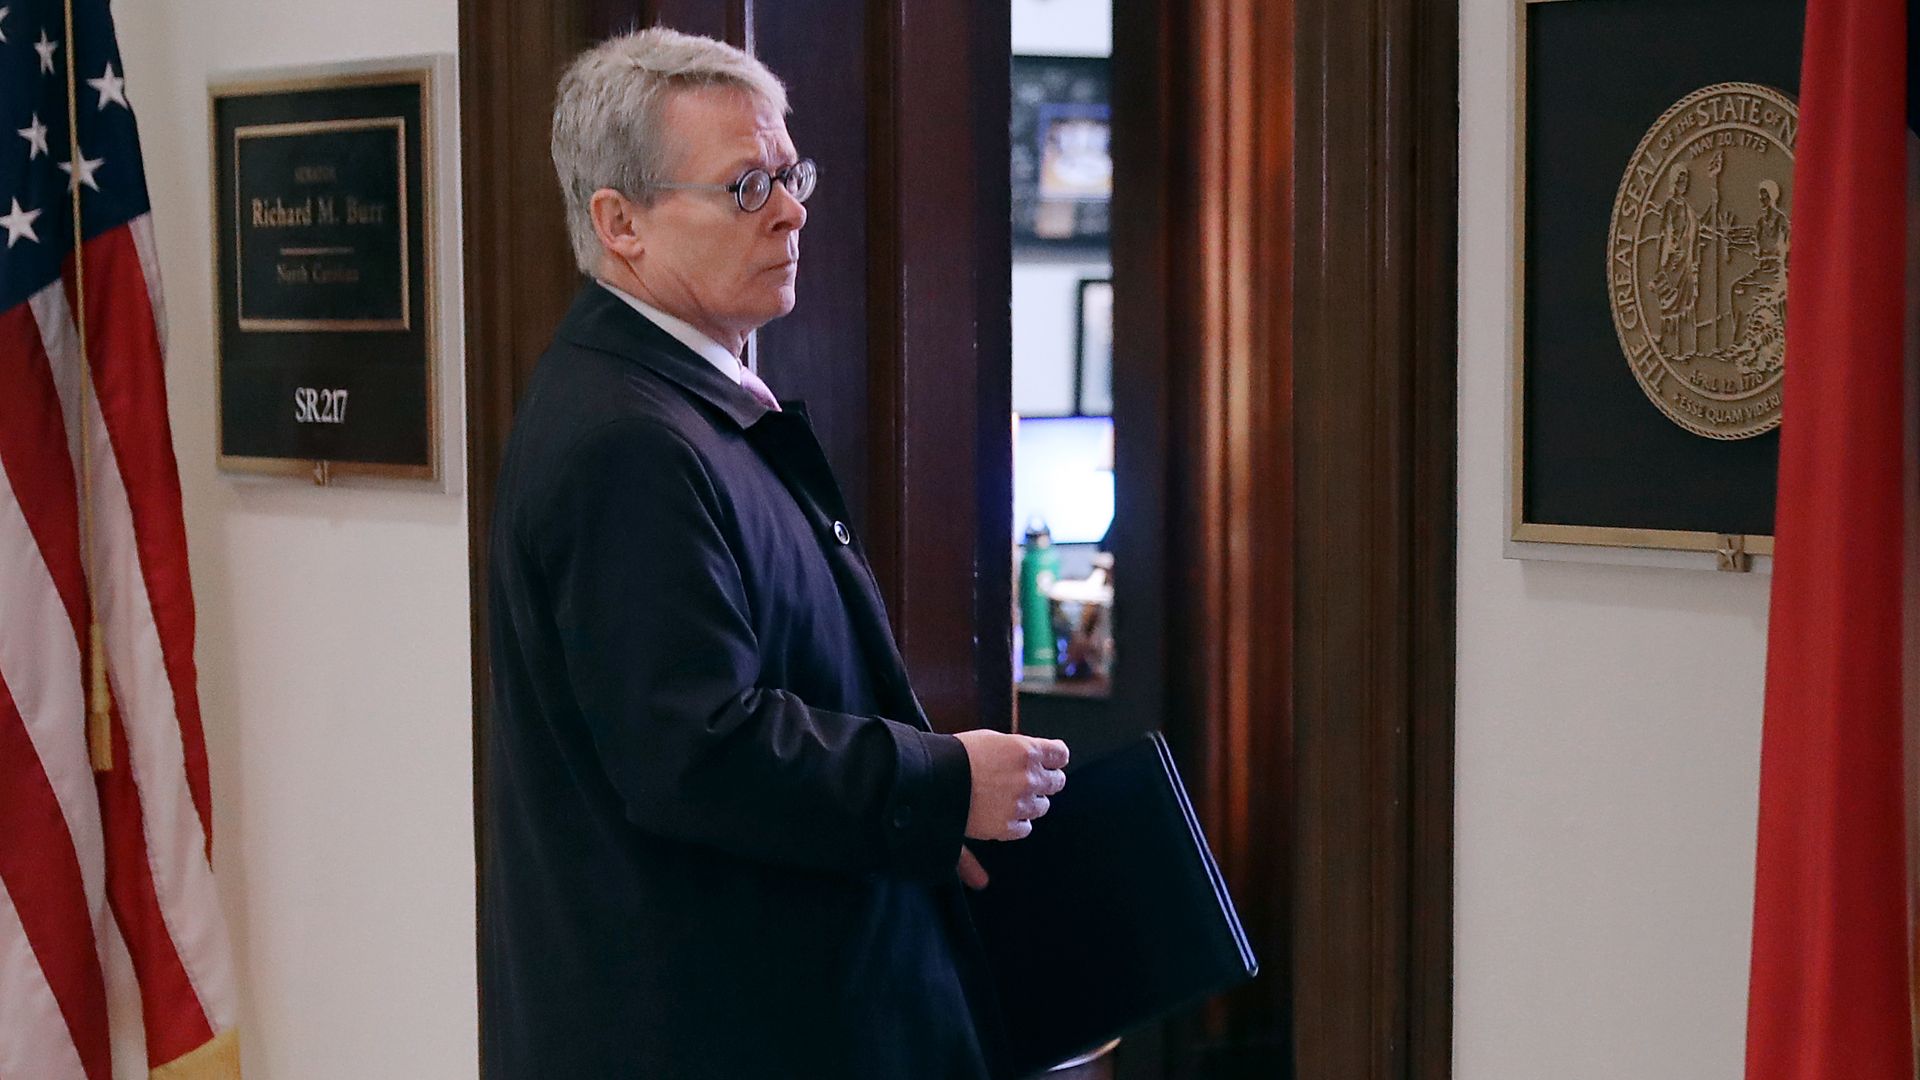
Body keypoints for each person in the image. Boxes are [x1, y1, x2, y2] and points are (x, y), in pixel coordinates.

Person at [481, 27, 1070, 1080]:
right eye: (746, 186)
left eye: (790, 173)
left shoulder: (681, 400)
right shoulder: (629, 440)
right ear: (621, 224)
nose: (792, 209)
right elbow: (695, 749)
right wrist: (940, 785)